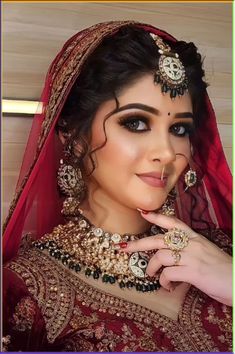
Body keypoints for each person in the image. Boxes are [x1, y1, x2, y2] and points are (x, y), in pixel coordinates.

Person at [2, 20, 232, 352]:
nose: (167, 152)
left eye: (179, 129)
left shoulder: (223, 252)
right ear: (74, 135)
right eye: (136, 123)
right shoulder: (25, 291)